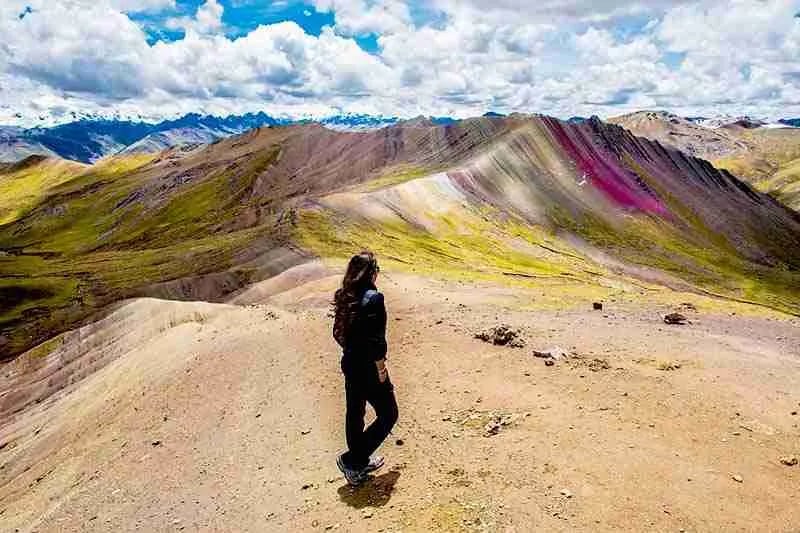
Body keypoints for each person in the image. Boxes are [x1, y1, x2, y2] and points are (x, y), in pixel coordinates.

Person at [333, 251, 398, 486]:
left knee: (355, 413)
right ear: (372, 272)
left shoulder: (344, 295)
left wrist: (352, 351)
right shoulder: (374, 298)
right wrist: (381, 368)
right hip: (369, 367)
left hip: (349, 363)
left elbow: (337, 333)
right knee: (389, 413)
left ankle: (358, 462)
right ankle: (353, 460)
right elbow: (377, 341)